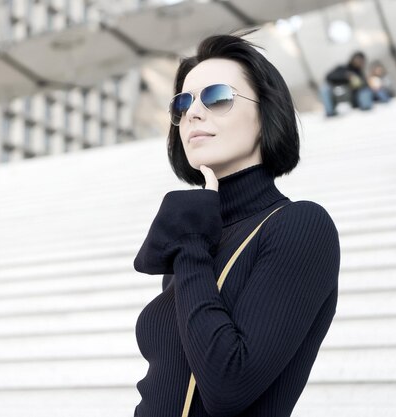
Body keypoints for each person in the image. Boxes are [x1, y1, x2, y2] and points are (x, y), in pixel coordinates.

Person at [132, 31, 340, 417]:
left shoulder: (299, 225)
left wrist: (192, 244)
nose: (193, 112)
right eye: (183, 103)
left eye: (216, 97)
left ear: (265, 113)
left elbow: (228, 385)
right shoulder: (197, 235)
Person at [320, 51, 373, 117]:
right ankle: (330, 112)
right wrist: (346, 76)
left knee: (365, 90)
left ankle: (366, 106)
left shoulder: (359, 73)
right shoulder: (342, 68)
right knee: (324, 88)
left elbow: (365, 85)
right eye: (357, 59)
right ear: (352, 59)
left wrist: (357, 84)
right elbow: (328, 77)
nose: (358, 62)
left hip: (352, 97)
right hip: (337, 94)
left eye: (361, 60)